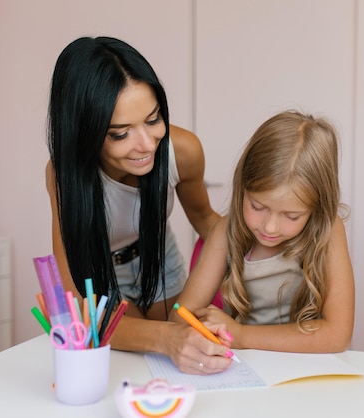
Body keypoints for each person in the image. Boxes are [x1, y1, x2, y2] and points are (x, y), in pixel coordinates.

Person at [45, 36, 231, 374]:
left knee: (170, 368)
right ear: (84, 131)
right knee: (131, 367)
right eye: (120, 133)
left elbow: (206, 220)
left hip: (158, 259)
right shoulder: (64, 176)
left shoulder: (183, 151)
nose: (146, 145)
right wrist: (169, 338)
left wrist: (264, 253)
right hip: (100, 275)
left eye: (153, 119)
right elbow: (77, 302)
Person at [170, 110, 355, 353]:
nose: (269, 227)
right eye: (257, 206)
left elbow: (338, 335)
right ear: (242, 188)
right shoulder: (226, 231)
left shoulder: (329, 231)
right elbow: (180, 317)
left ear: (317, 209)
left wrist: (242, 335)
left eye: (292, 216)